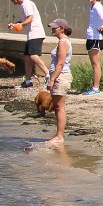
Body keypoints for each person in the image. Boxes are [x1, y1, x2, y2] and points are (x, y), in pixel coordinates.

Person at [6, 0, 48, 88]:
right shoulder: (22, 6)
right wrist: (14, 24)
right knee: (27, 57)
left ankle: (48, 74)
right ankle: (28, 81)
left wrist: (20, 25)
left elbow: (29, 19)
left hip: (36, 33)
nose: (11, 1)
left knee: (33, 56)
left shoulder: (27, 4)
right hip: (31, 35)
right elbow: (22, 20)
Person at [42, 19, 73, 147]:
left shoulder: (63, 42)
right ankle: (58, 134)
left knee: (60, 107)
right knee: (58, 107)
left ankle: (60, 136)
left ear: (62, 28)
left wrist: (52, 79)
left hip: (61, 77)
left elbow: (60, 63)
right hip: (60, 76)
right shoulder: (63, 41)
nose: (52, 29)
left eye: (55, 28)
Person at [83, 0, 103, 94]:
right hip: (91, 37)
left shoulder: (97, 5)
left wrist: (99, 27)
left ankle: (96, 88)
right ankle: (95, 86)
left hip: (95, 38)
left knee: (95, 63)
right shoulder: (93, 6)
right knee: (94, 63)